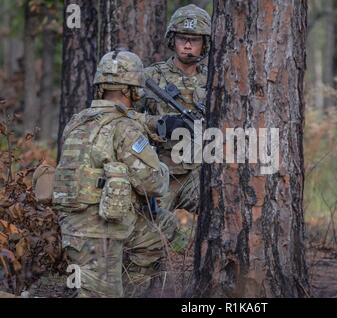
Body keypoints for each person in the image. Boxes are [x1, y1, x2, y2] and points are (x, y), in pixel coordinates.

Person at [52, 49, 176, 298]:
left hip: (71, 224)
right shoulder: (124, 128)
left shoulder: (76, 122)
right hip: (99, 231)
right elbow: (153, 183)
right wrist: (162, 166)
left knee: (161, 228)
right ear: (133, 90)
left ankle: (127, 283)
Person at [142, 4, 211, 215]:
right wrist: (160, 124)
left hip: (201, 171)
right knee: (150, 229)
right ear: (173, 40)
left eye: (195, 39)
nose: (188, 45)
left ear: (205, 43)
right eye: (182, 38)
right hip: (162, 170)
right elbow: (124, 118)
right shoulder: (150, 77)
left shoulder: (214, 78)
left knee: (220, 212)